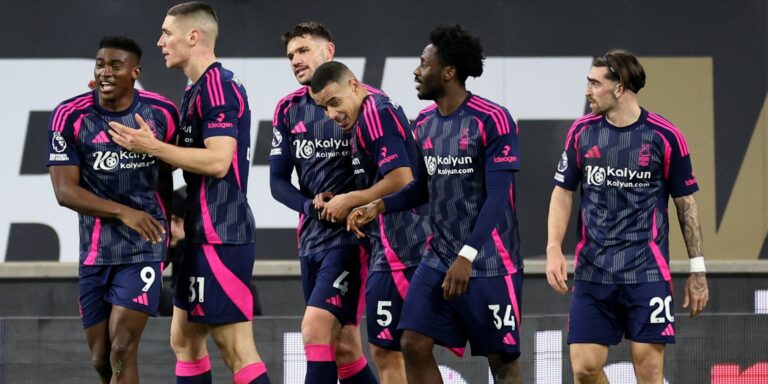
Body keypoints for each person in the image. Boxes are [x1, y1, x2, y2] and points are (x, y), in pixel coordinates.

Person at [348, 25, 524, 383]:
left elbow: (498, 198)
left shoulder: (493, 119)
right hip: (439, 256)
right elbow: (421, 190)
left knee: (501, 362)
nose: (416, 71)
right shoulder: (424, 123)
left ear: (448, 72)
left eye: (423, 64)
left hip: (490, 261)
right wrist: (378, 206)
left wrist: (468, 256)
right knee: (412, 342)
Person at [108, 2, 270, 383]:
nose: (160, 41)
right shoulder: (196, 89)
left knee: (236, 349)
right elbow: (181, 152)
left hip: (221, 233)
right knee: (184, 340)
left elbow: (217, 161)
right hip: (200, 234)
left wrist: (154, 149)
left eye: (167, 33)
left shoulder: (218, 86)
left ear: (193, 36)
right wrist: (109, 102)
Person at [545, 49, 710, 384]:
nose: (587, 91)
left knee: (649, 373)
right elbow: (563, 192)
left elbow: (685, 205)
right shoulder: (582, 132)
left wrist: (697, 271)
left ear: (619, 88)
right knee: (584, 368)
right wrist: (552, 247)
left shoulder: (665, 136)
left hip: (646, 272)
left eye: (595, 83)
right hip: (593, 272)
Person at [48, 35, 178, 384]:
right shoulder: (70, 114)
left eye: (115, 66)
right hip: (94, 252)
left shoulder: (162, 112)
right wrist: (124, 212)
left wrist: (169, 230)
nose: (105, 72)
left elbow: (175, 171)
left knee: (123, 349)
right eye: (100, 64)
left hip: (143, 247)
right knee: (101, 359)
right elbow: (64, 191)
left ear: (134, 72)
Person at [270, 22, 378, 384]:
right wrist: (309, 206)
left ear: (328, 51)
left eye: (303, 51)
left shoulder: (367, 102)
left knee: (315, 330)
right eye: (290, 55)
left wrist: (357, 202)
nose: (295, 60)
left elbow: (395, 173)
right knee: (345, 347)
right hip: (311, 239)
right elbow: (277, 182)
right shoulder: (287, 110)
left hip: (354, 240)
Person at [311, 61, 432, 383]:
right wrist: (345, 198)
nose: (331, 115)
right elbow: (379, 179)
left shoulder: (376, 113)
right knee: (384, 349)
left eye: (334, 103)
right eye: (324, 108)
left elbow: (402, 178)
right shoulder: (364, 113)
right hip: (385, 246)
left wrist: (350, 199)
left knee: (410, 349)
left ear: (354, 86)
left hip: (409, 247)